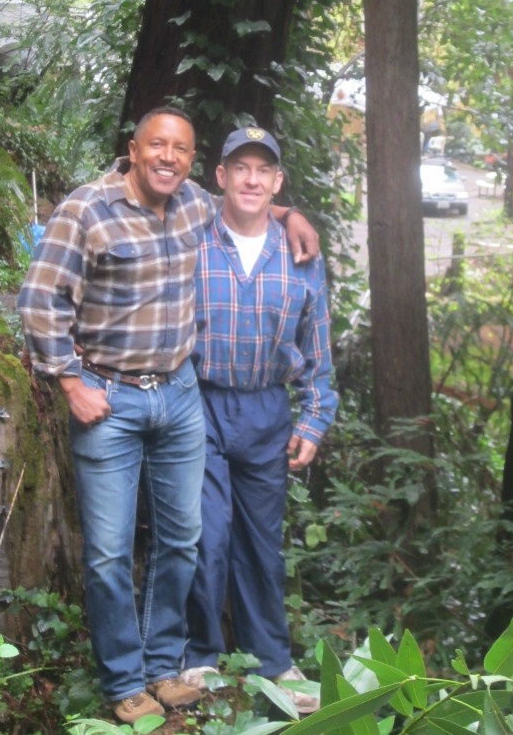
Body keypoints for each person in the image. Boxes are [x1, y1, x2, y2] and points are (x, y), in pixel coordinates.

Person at [17, 108, 318, 725]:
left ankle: (164, 667)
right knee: (108, 550)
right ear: (133, 149)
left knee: (182, 539)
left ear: (191, 161)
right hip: (109, 396)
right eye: (157, 145)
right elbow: (40, 300)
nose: (168, 157)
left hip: (179, 395)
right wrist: (70, 383)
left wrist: (292, 215)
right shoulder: (86, 209)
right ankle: (125, 680)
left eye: (180, 149)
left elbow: (247, 201)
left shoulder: (191, 205)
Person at [181, 127, 338, 713]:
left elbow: (318, 345)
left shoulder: (300, 256)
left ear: (277, 182)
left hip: (268, 410)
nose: (251, 179)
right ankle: (198, 654)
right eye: (240, 168)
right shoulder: (190, 235)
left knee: (262, 543)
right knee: (204, 533)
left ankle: (273, 661)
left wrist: (314, 419)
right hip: (198, 402)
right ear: (219, 177)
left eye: (263, 170)